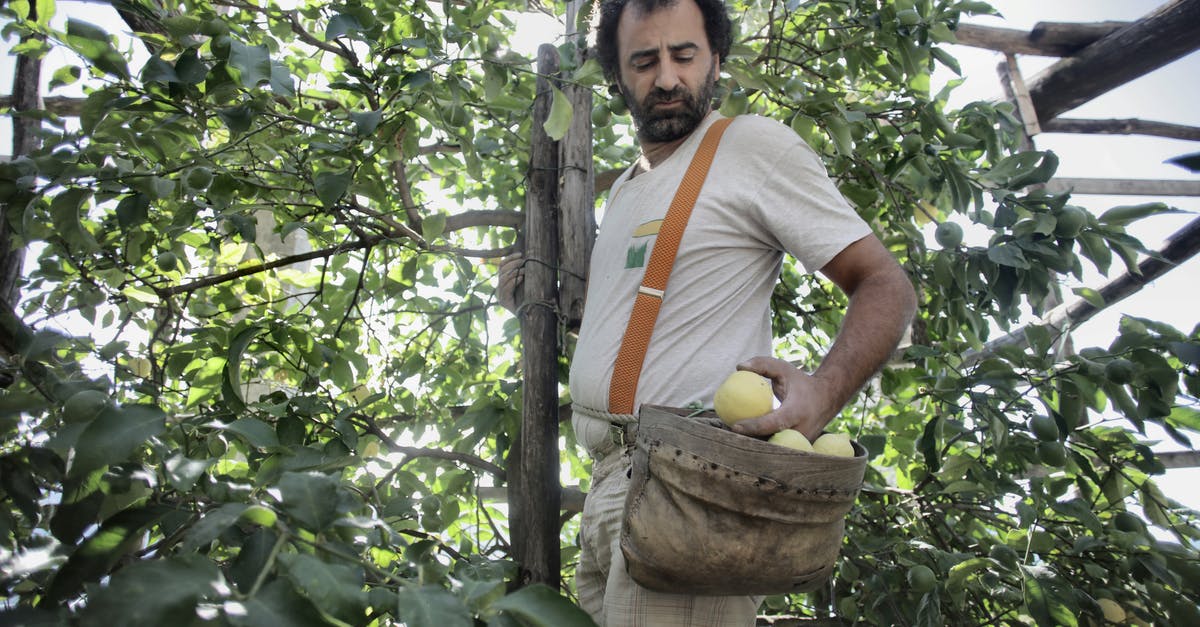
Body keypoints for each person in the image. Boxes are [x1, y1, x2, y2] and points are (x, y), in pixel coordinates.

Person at [501, 0, 916, 624]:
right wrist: (534, 305)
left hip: (692, 490)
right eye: (644, 61)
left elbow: (885, 283)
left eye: (684, 55)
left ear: (716, 60)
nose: (667, 77)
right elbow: (640, 332)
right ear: (616, 77)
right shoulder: (626, 193)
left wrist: (825, 393)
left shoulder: (751, 147)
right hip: (608, 487)